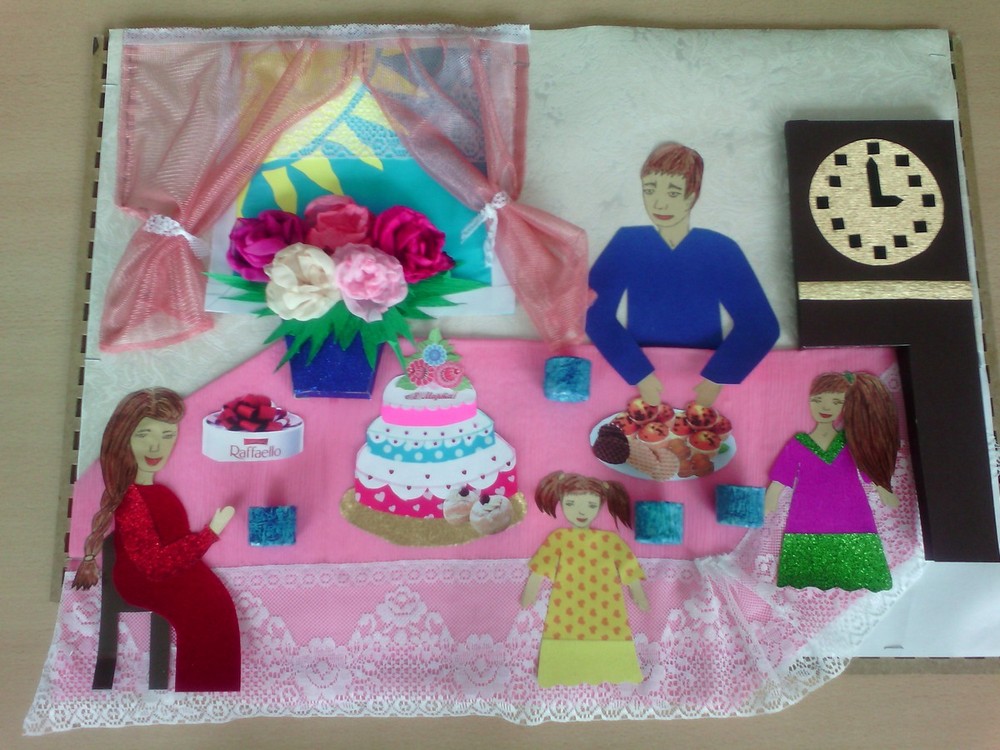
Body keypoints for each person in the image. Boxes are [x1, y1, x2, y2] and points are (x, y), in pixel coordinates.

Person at [72, 388, 241, 692]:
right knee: (207, 615)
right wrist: (210, 532)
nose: (156, 446)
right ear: (124, 438)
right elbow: (153, 564)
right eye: (144, 435)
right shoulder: (132, 499)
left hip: (168, 573)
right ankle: (203, 691)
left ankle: (209, 689)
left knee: (213, 610)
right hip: (146, 579)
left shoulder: (158, 494)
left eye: (167, 435)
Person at [586, 142, 779, 407]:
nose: (659, 203)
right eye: (649, 190)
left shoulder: (720, 249)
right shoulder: (628, 243)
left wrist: (717, 378)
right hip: (632, 378)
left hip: (704, 381)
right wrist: (638, 373)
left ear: (692, 195)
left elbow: (761, 325)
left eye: (673, 192)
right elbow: (591, 312)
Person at [764, 372, 900, 592]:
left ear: (845, 406)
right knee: (805, 564)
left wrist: (883, 489)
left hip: (851, 510)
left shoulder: (852, 441)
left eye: (836, 402)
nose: (825, 407)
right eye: (818, 400)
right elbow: (782, 474)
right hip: (808, 513)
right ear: (809, 401)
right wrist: (770, 498)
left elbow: (867, 466)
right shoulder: (799, 443)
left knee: (858, 556)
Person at [521, 471, 649, 687]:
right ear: (561, 502)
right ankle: (560, 671)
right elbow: (541, 566)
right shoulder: (560, 538)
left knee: (612, 633)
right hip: (567, 603)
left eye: (591, 505)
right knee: (563, 631)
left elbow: (627, 566)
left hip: (606, 605)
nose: (581, 512)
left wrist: (638, 593)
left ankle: (615, 669)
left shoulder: (610, 540)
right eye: (571, 504)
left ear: (600, 505)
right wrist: (530, 592)